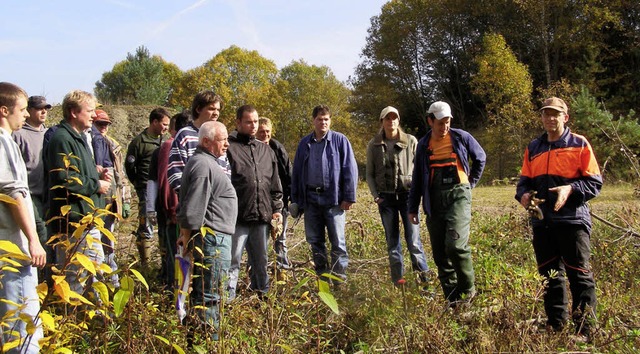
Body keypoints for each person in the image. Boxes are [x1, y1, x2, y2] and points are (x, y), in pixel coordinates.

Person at [515, 97, 602, 341]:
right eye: (546, 114)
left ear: (566, 117)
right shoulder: (534, 147)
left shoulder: (579, 144)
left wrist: (570, 189)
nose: (550, 118)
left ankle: (586, 331)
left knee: (579, 274)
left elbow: (594, 182)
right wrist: (523, 196)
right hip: (542, 223)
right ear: (541, 117)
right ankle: (556, 325)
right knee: (550, 276)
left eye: (556, 114)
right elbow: (523, 183)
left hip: (572, 221)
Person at [408, 101, 486, 306]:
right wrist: (412, 207)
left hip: (458, 196)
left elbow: (480, 158)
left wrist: (470, 183)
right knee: (440, 253)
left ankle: (468, 291)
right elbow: (417, 177)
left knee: (455, 245)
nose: (444, 127)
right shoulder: (424, 145)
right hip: (433, 198)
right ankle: (454, 302)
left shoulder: (461, 137)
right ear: (430, 121)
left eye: (448, 122)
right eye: (440, 122)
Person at [45, 90, 111, 296]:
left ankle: (91, 319)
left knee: (94, 269)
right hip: (74, 222)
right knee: (76, 275)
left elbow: (75, 171)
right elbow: (65, 180)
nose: (94, 115)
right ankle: (76, 318)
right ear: (74, 112)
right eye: (90, 111)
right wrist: (96, 185)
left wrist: (95, 172)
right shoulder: (63, 139)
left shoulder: (78, 137)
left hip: (86, 219)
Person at [177, 121, 237, 342]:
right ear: (206, 141)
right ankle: (207, 343)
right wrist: (186, 234)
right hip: (212, 240)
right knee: (210, 296)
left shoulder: (205, 163)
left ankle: (201, 340)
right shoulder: (203, 165)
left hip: (214, 237)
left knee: (207, 293)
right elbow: (193, 208)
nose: (227, 144)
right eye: (223, 140)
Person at [0, 82, 46, 354]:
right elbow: (13, 194)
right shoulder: (2, 142)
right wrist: (33, 240)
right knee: (22, 323)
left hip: (13, 244)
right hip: (13, 246)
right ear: (4, 110)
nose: (27, 115)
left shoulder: (8, 140)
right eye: (22, 109)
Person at [291, 105, 358, 283]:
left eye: (326, 119)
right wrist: (296, 200)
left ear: (330, 121)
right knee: (315, 242)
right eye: (320, 119)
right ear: (313, 121)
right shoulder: (304, 144)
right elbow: (297, 172)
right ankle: (322, 279)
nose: (323, 122)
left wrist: (349, 197)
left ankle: (339, 280)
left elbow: (349, 169)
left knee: (338, 242)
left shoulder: (340, 140)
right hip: (311, 200)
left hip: (334, 200)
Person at [366, 106, 430, 285]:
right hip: (385, 200)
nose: (391, 121)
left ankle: (425, 286)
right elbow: (369, 174)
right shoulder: (374, 144)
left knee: (414, 243)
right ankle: (399, 285)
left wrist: (419, 195)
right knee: (393, 245)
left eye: (394, 118)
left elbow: (420, 169)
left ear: (398, 121)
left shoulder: (411, 141)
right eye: (387, 118)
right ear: (382, 121)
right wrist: (375, 195)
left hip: (408, 198)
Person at [226, 105, 283, 300]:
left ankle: (263, 299)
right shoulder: (229, 149)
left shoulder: (266, 151)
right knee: (232, 261)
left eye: (255, 121)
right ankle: (228, 302)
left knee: (261, 261)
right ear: (238, 123)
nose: (253, 126)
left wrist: (277, 209)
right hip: (237, 218)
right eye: (248, 121)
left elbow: (275, 184)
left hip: (261, 216)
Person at [147, 110, 190, 289]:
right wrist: (172, 210)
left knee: (180, 255)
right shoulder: (169, 146)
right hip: (175, 214)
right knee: (175, 255)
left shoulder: (184, 146)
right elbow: (166, 181)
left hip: (184, 212)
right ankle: (174, 293)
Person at [125, 107, 170, 266]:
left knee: (164, 224)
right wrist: (139, 184)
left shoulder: (164, 142)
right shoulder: (139, 142)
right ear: (154, 122)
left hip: (162, 188)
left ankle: (165, 262)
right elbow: (130, 166)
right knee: (146, 226)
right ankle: (146, 264)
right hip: (145, 188)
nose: (165, 128)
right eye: (164, 124)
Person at [90, 109, 124, 287]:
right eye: (100, 124)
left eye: (106, 124)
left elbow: (120, 175)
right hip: (96, 202)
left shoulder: (112, 145)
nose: (103, 127)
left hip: (111, 200)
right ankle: (101, 282)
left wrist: (124, 199)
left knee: (108, 242)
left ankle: (113, 281)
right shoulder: (91, 141)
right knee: (95, 243)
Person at [168, 91, 226, 194]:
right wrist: (193, 196)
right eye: (211, 109)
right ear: (198, 109)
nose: (216, 113)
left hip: (217, 201)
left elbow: (225, 168)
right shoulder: (185, 135)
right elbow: (175, 171)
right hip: (193, 199)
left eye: (218, 109)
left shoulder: (220, 135)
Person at [12, 95, 51, 246]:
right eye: (39, 108)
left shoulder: (49, 134)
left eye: (46, 109)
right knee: (41, 232)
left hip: (48, 193)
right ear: (29, 110)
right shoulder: (18, 134)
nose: (43, 112)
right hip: (30, 193)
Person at [256, 117, 292, 270]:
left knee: (281, 239)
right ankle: (257, 274)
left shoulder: (277, 148)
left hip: (279, 203)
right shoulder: (250, 150)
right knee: (260, 243)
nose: (265, 134)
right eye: (261, 132)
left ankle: (282, 273)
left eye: (267, 131)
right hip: (260, 205)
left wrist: (290, 200)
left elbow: (289, 174)